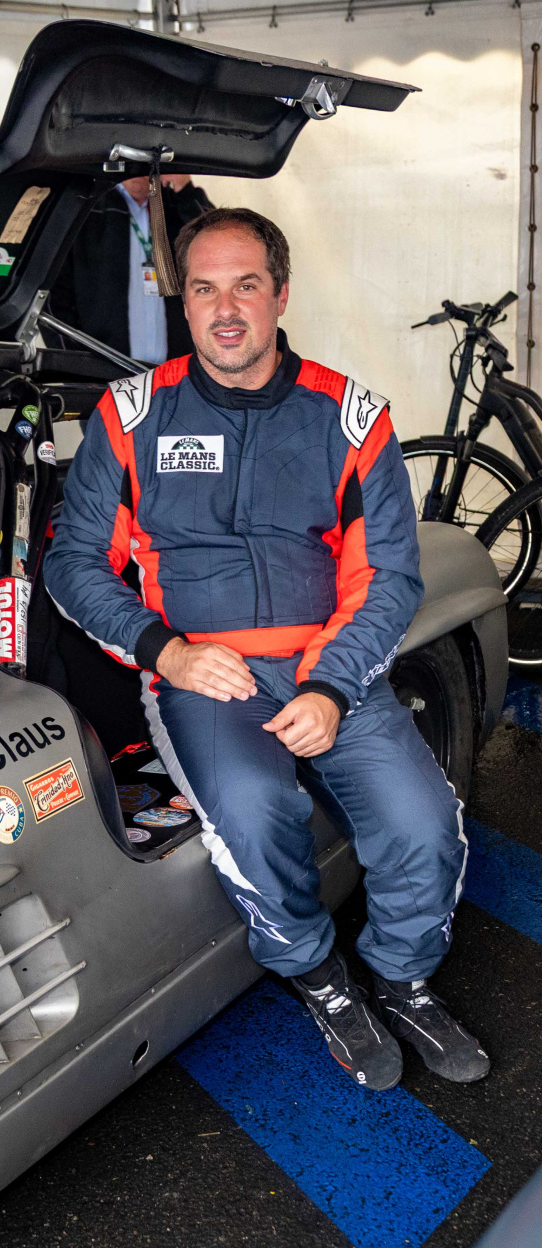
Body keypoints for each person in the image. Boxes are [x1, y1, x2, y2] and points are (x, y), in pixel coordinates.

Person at [44, 207, 489, 1091]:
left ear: (281, 294)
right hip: (205, 675)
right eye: (203, 289)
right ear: (183, 303)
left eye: (246, 285)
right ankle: (318, 974)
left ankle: (401, 977)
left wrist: (331, 687)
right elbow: (72, 562)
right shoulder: (131, 415)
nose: (225, 309)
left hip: (332, 668)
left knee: (424, 825)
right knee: (254, 816)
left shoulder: (350, 416)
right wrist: (165, 652)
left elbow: (388, 577)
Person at [49, 174, 212, 365]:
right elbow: (53, 297)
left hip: (175, 373)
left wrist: (186, 190)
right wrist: (78, 365)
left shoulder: (177, 205)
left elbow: (222, 252)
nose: (140, 169)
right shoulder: (88, 206)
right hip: (105, 373)